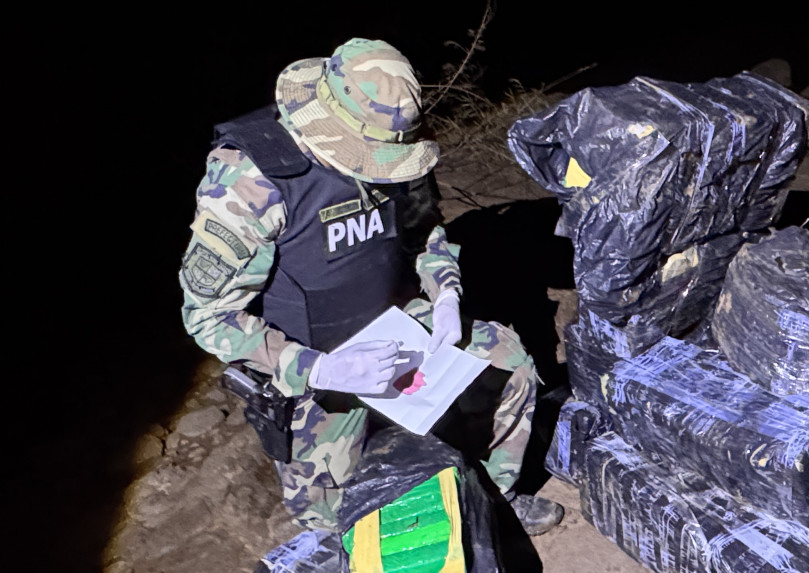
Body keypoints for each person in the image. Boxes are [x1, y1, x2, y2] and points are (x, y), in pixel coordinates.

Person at [179, 37, 563, 534]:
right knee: (333, 516)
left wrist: (445, 294)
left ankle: (494, 498)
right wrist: (321, 370)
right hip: (309, 351)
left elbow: (425, 233)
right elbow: (208, 317)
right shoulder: (249, 181)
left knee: (508, 365)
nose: (378, 170)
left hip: (393, 321)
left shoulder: (394, 145)